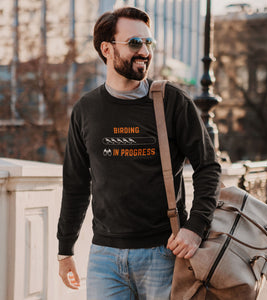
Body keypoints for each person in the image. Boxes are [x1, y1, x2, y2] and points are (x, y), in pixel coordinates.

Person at [57, 6, 221, 300]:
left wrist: (195, 227)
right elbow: (76, 184)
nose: (145, 51)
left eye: (148, 43)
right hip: (104, 258)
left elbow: (208, 166)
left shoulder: (172, 101)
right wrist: (65, 249)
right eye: (135, 43)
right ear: (107, 49)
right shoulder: (86, 110)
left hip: (165, 253)